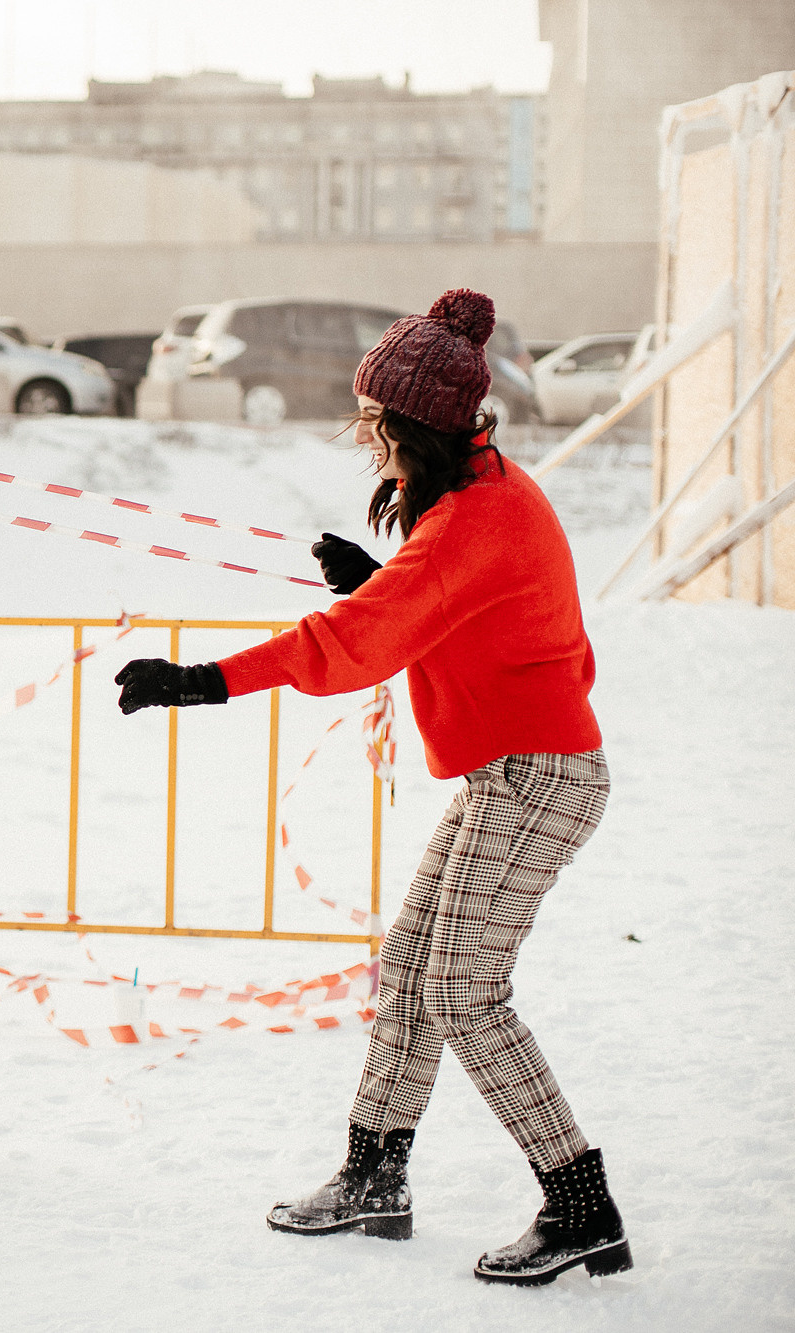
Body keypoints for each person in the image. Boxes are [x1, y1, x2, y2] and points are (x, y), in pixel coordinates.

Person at [114, 289, 629, 1286]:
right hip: (510, 778)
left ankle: (578, 1205)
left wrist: (201, 681)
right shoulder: (473, 503)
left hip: (537, 779)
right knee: (408, 968)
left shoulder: (472, 522)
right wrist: (376, 584)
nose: (369, 444)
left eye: (377, 426)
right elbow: (429, 616)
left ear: (420, 429)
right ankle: (371, 1178)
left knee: (460, 992)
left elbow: (351, 650)